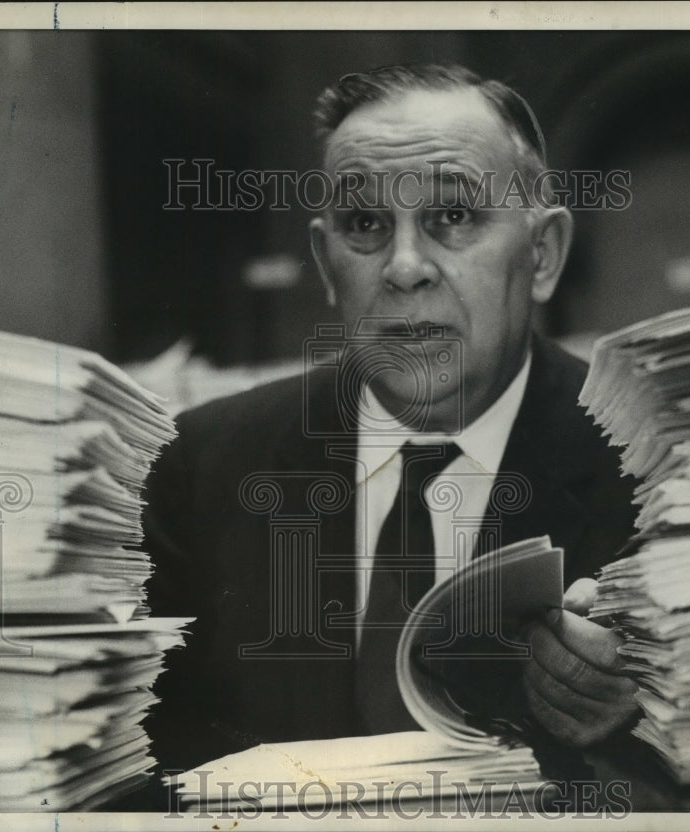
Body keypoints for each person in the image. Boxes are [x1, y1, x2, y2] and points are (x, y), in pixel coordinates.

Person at [143, 63, 639, 777]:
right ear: (325, 261)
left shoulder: (655, 468)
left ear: (543, 254)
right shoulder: (200, 470)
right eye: (365, 224)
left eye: (454, 216)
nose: (405, 268)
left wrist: (651, 708)